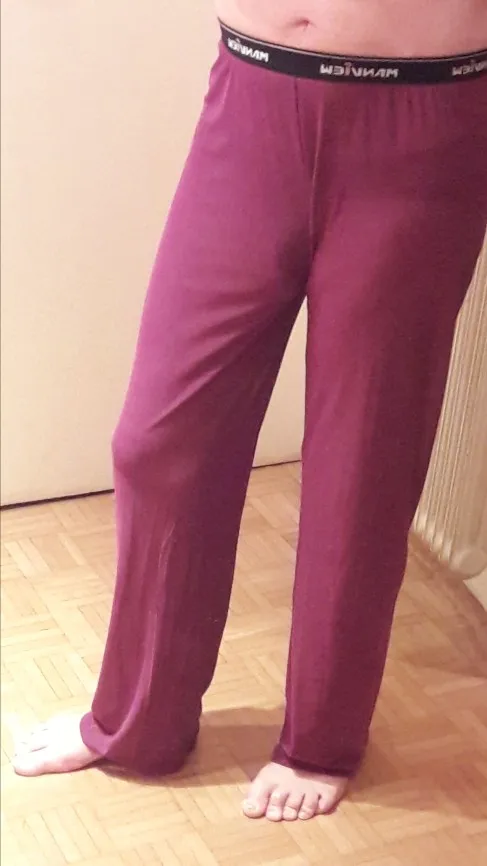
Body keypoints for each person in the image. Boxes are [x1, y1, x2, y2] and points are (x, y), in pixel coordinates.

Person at [13, 0, 487, 824]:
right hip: (252, 92)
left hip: (425, 117)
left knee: (363, 455)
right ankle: (139, 721)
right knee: (159, 440)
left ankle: (321, 741)